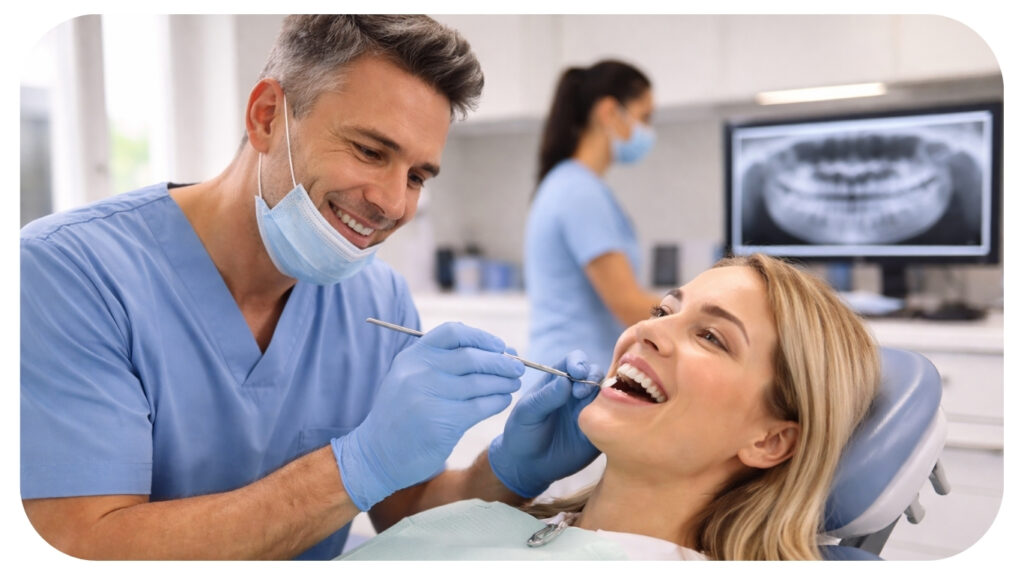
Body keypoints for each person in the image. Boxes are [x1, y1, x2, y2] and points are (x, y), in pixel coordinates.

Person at [20, 15, 599, 560]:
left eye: (418, 176)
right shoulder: (68, 275)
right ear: (268, 116)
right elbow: (81, 548)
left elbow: (407, 506)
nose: (394, 204)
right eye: (371, 151)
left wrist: (509, 471)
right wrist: (353, 465)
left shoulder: (378, 301)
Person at [337, 254, 882, 560]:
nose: (647, 331)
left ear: (770, 440)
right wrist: (504, 473)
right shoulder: (496, 522)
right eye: (662, 309)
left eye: (712, 337)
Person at [524, 59, 663, 378]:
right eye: (645, 117)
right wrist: (700, 314)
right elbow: (627, 303)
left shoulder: (571, 184)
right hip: (571, 380)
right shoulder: (579, 191)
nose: (648, 131)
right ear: (609, 112)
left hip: (570, 374)